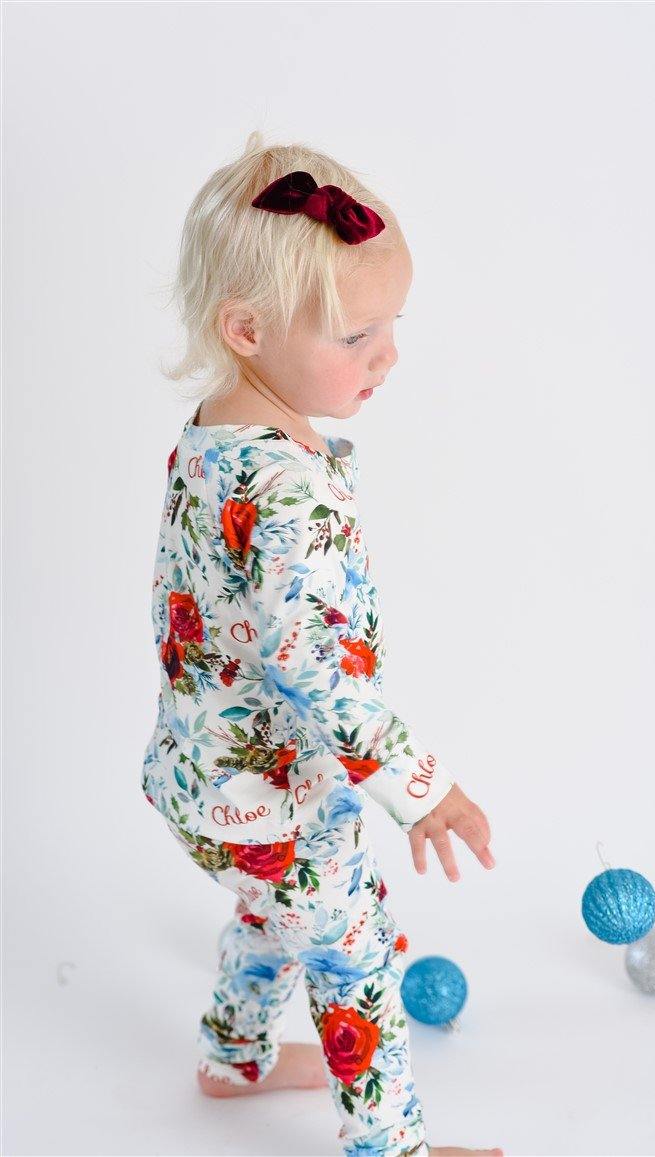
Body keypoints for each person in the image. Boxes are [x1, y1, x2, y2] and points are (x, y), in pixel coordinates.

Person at [141, 130, 503, 1157]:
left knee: (273, 904)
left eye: (393, 324)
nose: (387, 354)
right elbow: (315, 670)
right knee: (356, 961)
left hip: (199, 772)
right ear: (246, 328)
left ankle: (237, 1056)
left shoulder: (217, 429)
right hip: (281, 785)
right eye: (356, 335)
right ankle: (390, 1143)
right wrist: (421, 782)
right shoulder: (289, 487)